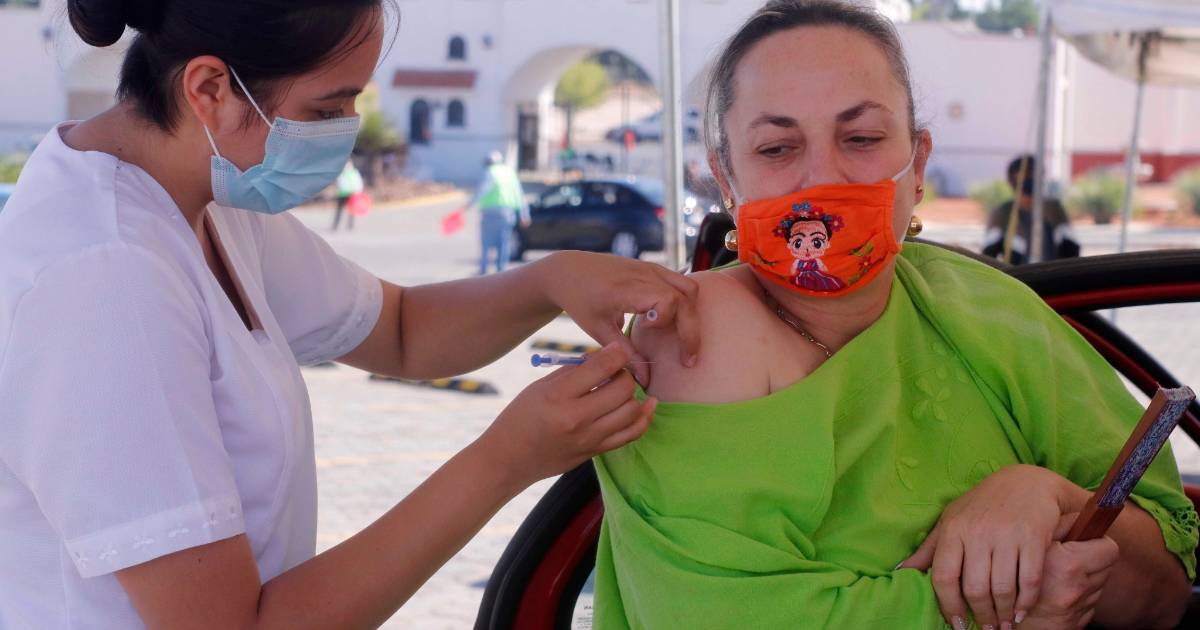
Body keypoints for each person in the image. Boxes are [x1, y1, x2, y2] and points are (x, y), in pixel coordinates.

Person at [0, 1, 704, 627]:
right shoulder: (103, 278)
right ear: (210, 88)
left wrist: (551, 279)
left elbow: (399, 330)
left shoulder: (207, 193)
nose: (345, 133)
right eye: (325, 110)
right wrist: (505, 459)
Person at [592, 2, 1196, 629]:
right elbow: (714, 613)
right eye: (777, 147)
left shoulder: (990, 311)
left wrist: (1046, 494)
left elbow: (1165, 592)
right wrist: (1010, 610)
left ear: (919, 164)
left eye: (861, 139)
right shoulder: (697, 334)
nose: (822, 178)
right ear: (726, 178)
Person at [982, 154, 1081, 265]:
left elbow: (1071, 248)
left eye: (1034, 175)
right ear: (1012, 180)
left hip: (1052, 271)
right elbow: (988, 254)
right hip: (1017, 273)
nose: (1030, 180)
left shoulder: (1053, 208)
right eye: (1025, 176)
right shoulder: (1002, 213)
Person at [469, 150, 530, 274]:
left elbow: (483, 190)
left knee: (486, 242)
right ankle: (501, 270)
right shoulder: (510, 173)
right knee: (504, 242)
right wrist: (524, 214)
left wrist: (469, 204)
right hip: (507, 213)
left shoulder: (490, 172)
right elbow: (519, 194)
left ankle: (483, 269)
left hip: (490, 213)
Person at [331, 159, 364, 231]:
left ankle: (350, 225)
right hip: (342, 194)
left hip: (352, 193)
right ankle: (335, 225)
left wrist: (358, 191)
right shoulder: (341, 173)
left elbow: (358, 182)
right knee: (339, 210)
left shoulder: (354, 172)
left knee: (352, 210)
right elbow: (339, 183)